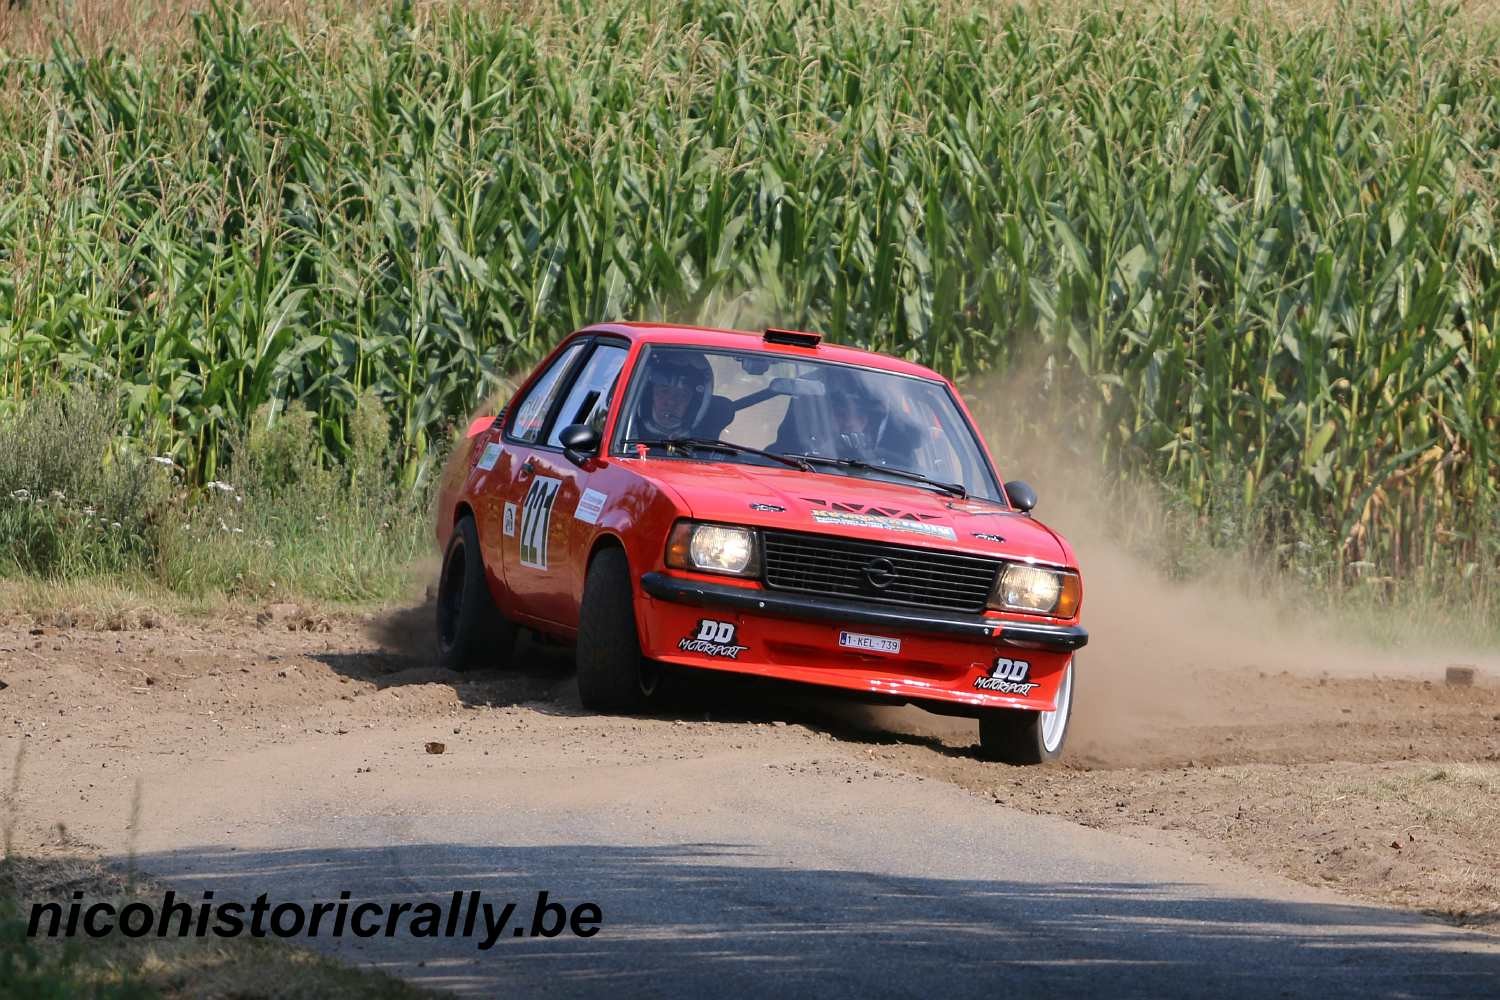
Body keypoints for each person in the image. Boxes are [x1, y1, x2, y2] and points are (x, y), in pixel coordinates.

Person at [825, 373, 919, 468]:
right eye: (840, 415)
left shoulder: (903, 436)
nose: (847, 423)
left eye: (859, 417)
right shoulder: (819, 443)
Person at [632, 352, 727, 440]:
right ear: (650, 394)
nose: (671, 402)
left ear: (694, 403)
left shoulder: (705, 447)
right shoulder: (625, 430)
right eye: (664, 391)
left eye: (682, 395)